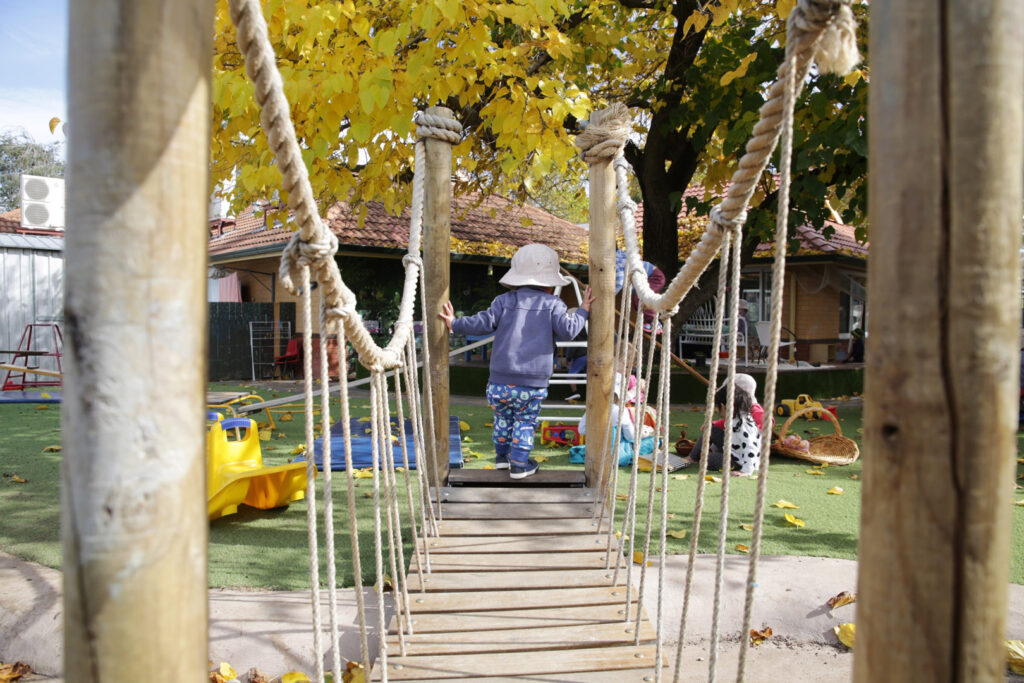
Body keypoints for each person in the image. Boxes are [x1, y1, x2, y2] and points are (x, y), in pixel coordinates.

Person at [440, 243, 593, 479]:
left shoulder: (503, 301)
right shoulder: (553, 304)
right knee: (525, 421)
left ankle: (502, 458)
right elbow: (569, 330)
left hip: (499, 381)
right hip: (531, 383)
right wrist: (582, 310)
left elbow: (482, 323)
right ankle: (519, 464)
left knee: (502, 418)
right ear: (550, 283)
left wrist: (454, 323)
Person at [682, 373, 763, 475]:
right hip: (732, 449)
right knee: (711, 429)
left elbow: (750, 447)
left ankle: (733, 463)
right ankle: (692, 457)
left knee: (707, 459)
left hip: (740, 460)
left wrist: (746, 470)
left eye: (718, 408)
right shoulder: (737, 417)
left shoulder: (741, 424)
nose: (717, 412)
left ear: (723, 406)